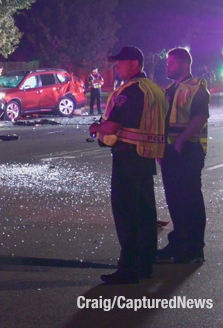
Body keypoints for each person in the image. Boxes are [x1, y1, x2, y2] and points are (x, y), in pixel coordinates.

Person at [89, 46, 167, 284]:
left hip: (128, 158)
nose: (117, 66)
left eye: (120, 62)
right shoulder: (155, 89)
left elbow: (112, 127)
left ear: (134, 63)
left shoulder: (131, 90)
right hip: (146, 158)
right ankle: (145, 265)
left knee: (127, 215)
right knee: (145, 214)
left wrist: (95, 128)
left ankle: (129, 269)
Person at [157, 48, 210, 264]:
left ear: (184, 64)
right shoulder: (170, 89)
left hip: (188, 151)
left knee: (191, 200)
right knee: (175, 200)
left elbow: (200, 117)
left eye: (171, 63)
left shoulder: (197, 87)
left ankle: (194, 248)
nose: (167, 67)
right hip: (171, 152)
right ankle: (178, 242)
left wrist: (182, 140)